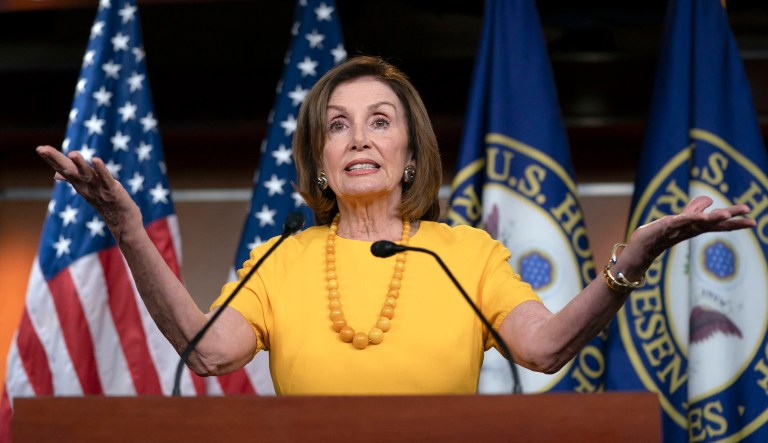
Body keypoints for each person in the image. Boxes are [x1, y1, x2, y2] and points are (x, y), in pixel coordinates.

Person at [36, 55, 756, 395]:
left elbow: (543, 348)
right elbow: (207, 351)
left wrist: (631, 260)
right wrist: (130, 230)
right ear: (319, 160)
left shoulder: (464, 254)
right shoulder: (278, 258)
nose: (358, 139)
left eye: (380, 123)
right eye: (338, 127)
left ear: (411, 156)